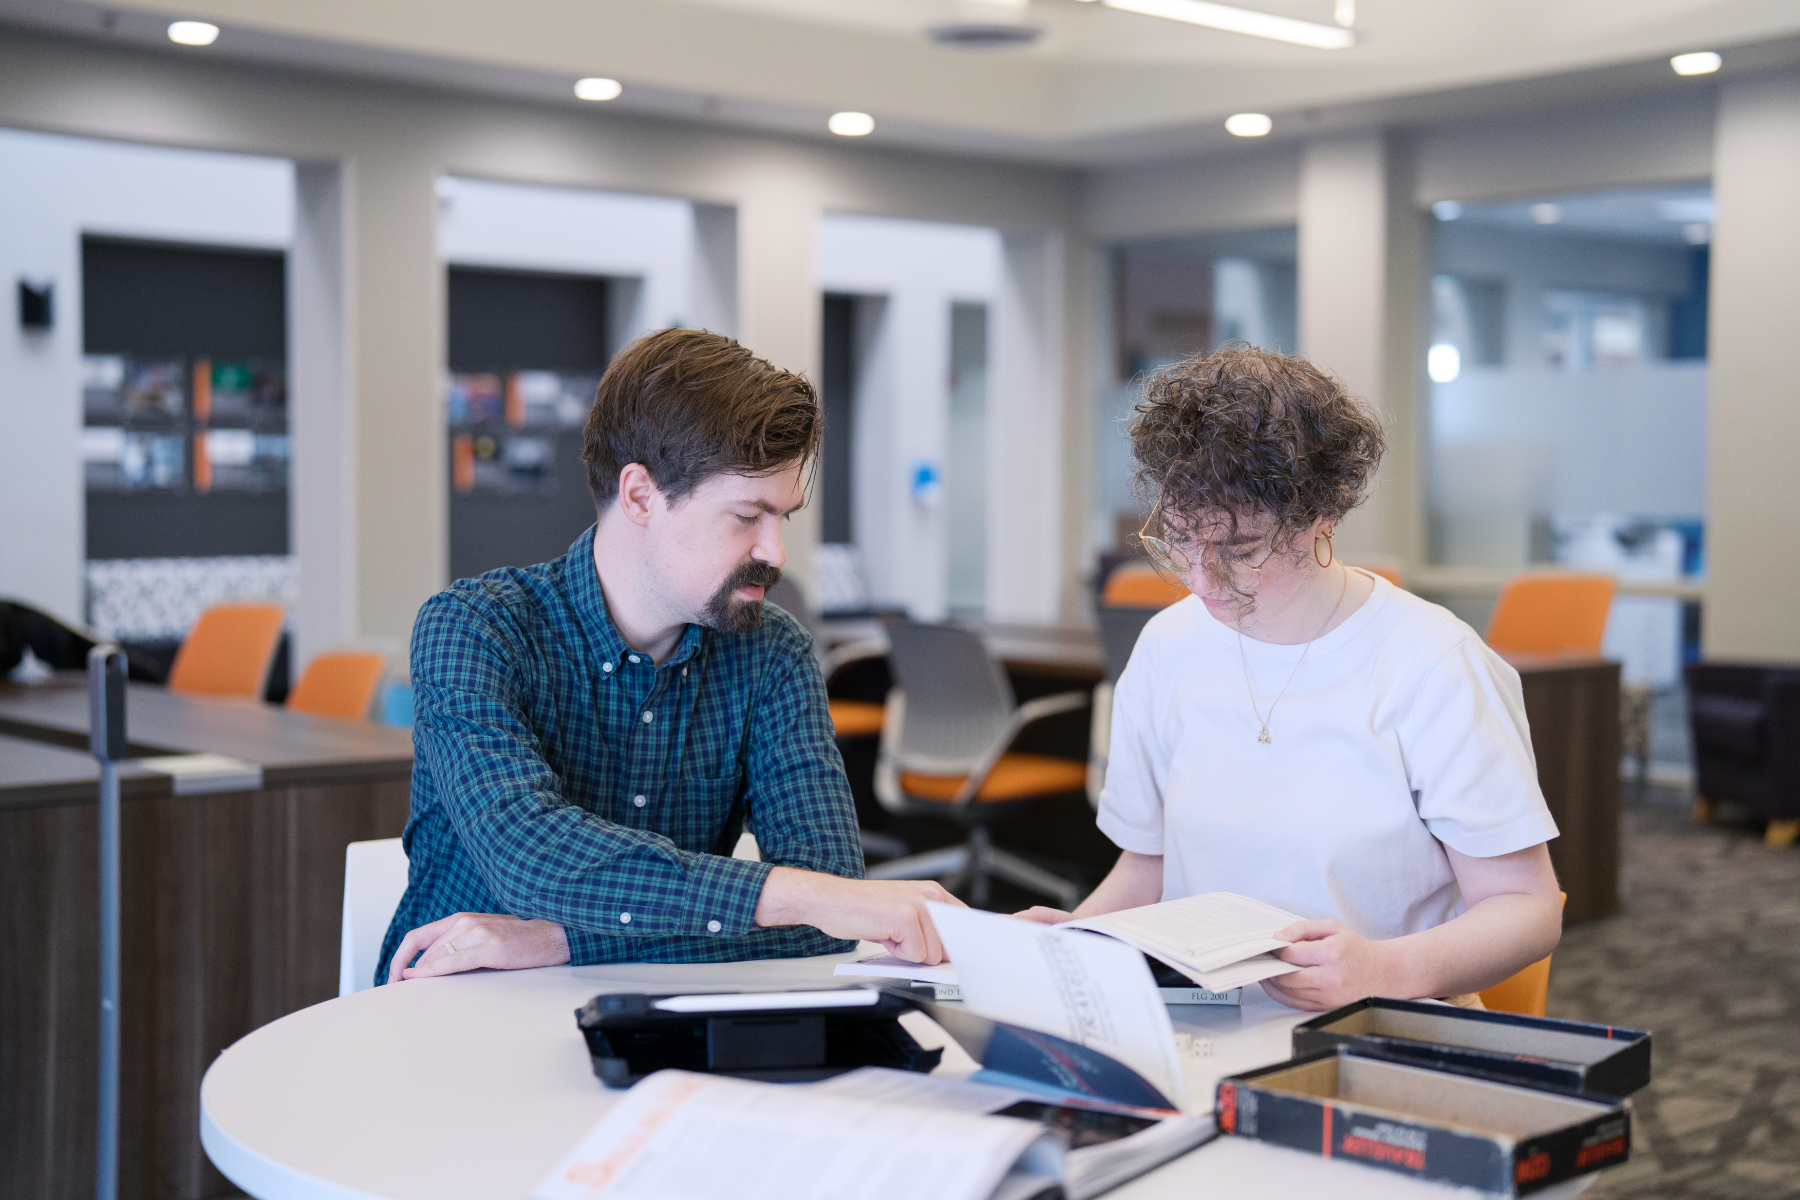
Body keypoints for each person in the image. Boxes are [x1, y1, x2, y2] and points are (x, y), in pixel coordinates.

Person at [381, 329, 959, 984]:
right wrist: (803, 898)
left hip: (662, 1018)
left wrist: (562, 941)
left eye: (783, 520)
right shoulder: (477, 629)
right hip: (455, 1008)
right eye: (747, 516)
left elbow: (830, 919)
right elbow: (530, 853)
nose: (776, 553)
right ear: (639, 496)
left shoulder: (773, 655)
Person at [1021, 346, 1562, 1011]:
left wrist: (1383, 972)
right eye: (1181, 542)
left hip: (1376, 1032)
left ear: (1321, 517)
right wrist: (1074, 941)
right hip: (1204, 1024)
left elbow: (1526, 908)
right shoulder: (1167, 648)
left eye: (1240, 550)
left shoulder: (1431, 663)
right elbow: (1148, 867)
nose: (1199, 580)